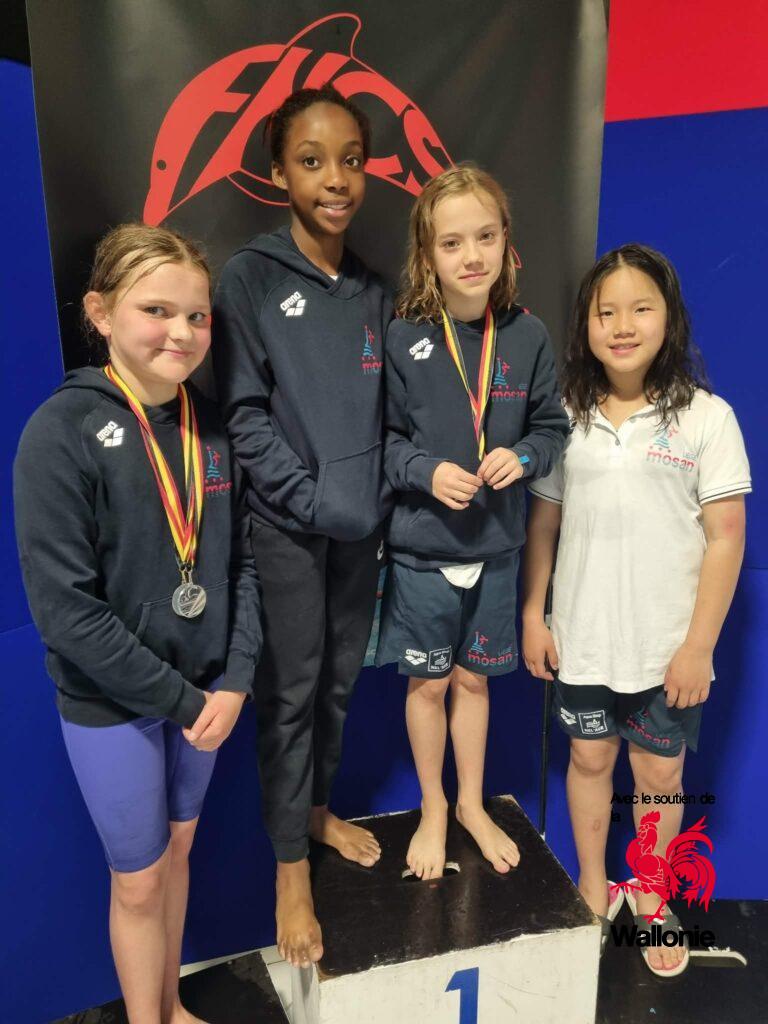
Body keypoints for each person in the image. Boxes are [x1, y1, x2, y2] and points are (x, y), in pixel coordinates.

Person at [14, 223, 261, 1024]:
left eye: (197, 316)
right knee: (140, 878)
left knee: (179, 851)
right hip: (114, 706)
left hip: (207, 698)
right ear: (101, 313)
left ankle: (171, 1005)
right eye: (157, 310)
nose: (181, 332)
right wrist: (189, 703)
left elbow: (244, 567)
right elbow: (66, 614)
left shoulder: (211, 429)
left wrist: (236, 678)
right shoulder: (61, 433)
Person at [522, 243, 750, 975]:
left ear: (668, 318)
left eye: (640, 309)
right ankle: (591, 888)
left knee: (658, 777)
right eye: (606, 312)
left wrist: (698, 648)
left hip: (666, 651)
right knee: (588, 760)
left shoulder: (707, 418)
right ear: (586, 325)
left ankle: (652, 898)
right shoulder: (563, 418)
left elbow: (726, 538)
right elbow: (544, 524)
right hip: (583, 640)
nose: (622, 326)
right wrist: (533, 614)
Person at [212, 84, 391, 969]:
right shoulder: (246, 278)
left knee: (339, 686)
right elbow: (243, 417)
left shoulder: (375, 290)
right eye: (313, 161)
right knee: (289, 695)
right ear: (279, 172)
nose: (335, 180)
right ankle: (290, 872)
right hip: (286, 529)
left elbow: (390, 414)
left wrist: (371, 502)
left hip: (361, 535)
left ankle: (316, 814)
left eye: (350, 160)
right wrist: (314, 501)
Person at [375, 164, 569, 880]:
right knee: (427, 686)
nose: (471, 256)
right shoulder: (405, 336)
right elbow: (383, 442)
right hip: (423, 552)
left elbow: (552, 426)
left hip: (496, 550)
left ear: (506, 241)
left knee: (475, 683)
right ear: (427, 254)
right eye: (452, 243)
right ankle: (433, 805)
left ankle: (470, 804)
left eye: (485, 237)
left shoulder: (528, 334)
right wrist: (424, 471)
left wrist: (525, 455)